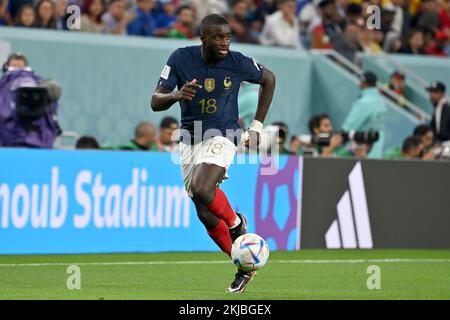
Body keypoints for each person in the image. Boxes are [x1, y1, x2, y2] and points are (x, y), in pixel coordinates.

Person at [150, 13, 276, 293]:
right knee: (203, 211)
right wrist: (175, 96)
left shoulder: (237, 62)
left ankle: (236, 223)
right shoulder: (180, 58)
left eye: (228, 37)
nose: (224, 42)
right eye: (218, 37)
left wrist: (256, 126)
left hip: (225, 132)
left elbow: (269, 79)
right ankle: (244, 264)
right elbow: (155, 101)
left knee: (202, 187)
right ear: (203, 38)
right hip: (189, 138)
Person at [342, 71, 387, 158]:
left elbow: (349, 126)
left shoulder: (365, 102)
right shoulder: (380, 100)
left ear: (363, 83)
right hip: (377, 147)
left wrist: (339, 136)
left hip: (364, 148)